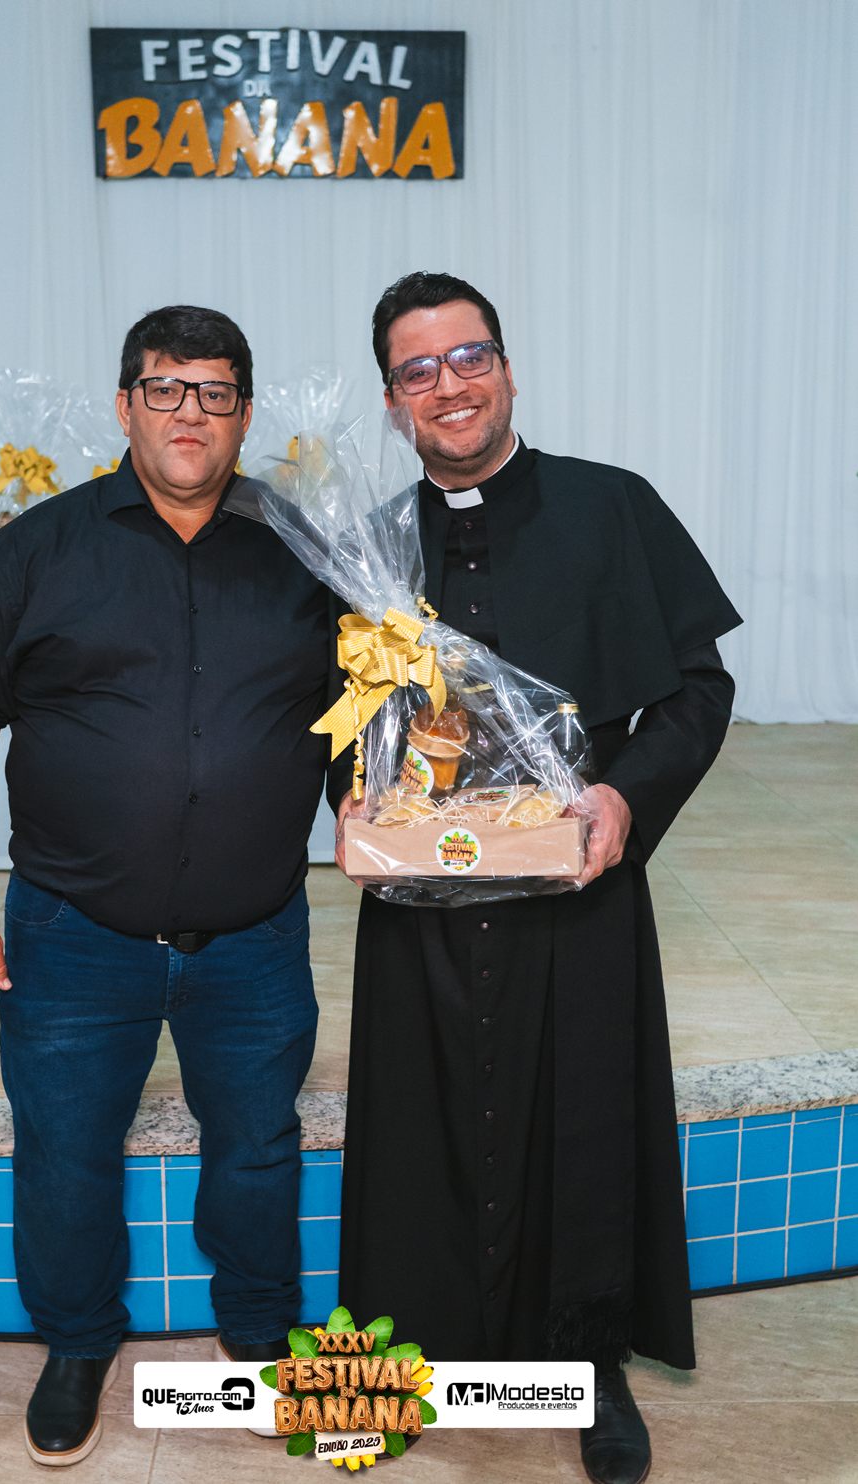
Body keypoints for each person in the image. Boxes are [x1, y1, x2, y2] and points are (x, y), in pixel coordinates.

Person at [335, 272, 742, 1484]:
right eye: (417, 369)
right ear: (393, 399)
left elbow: (696, 690)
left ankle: (587, 1360)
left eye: (468, 357)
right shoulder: (369, 548)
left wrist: (624, 798)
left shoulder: (612, 507)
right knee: (413, 1126)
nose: (448, 385)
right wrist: (350, 800)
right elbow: (336, 720)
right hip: (420, 900)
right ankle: (395, 1359)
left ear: (506, 369)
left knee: (585, 1116)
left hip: (580, 884)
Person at [0, 305, 342, 1466]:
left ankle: (256, 1330)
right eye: (165, 388)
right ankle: (74, 1343)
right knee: (64, 1150)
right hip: (73, 932)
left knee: (256, 1146)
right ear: (124, 404)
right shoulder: (34, 552)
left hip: (253, 935)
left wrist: (382, 807)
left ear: (244, 413)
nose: (188, 413)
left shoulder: (308, 554)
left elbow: (357, 709)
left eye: (214, 392)